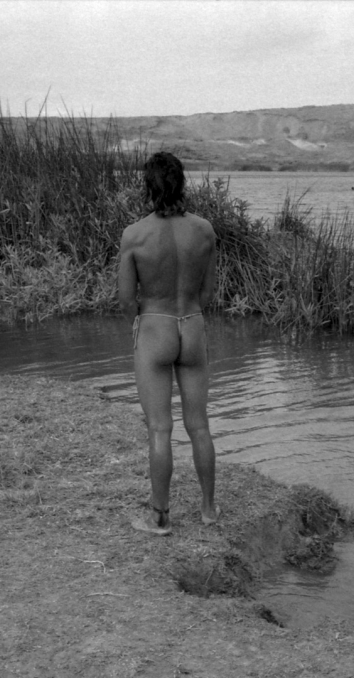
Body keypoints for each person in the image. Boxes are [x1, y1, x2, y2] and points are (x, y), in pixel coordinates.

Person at [118, 151, 219, 536]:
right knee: (200, 425)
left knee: (160, 428)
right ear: (181, 184)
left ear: (148, 187)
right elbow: (207, 292)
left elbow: (126, 298)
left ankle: (160, 517)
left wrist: (141, 324)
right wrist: (188, 313)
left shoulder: (134, 235)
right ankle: (208, 509)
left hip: (155, 327)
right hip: (192, 325)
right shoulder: (204, 230)